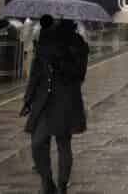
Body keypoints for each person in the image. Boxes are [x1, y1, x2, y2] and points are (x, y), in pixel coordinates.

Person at [21, 15, 89, 193]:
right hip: (44, 99)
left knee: (63, 143)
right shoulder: (44, 39)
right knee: (37, 143)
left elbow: (79, 74)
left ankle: (62, 184)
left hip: (66, 99)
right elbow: (36, 72)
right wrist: (28, 99)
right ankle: (47, 181)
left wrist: (61, 60)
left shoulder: (77, 43)